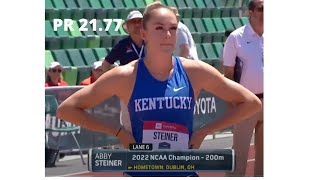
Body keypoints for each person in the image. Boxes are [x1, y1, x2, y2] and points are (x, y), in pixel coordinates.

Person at [57, 2, 262, 177]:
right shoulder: (125, 76)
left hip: (183, 171)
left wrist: (204, 131)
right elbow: (67, 109)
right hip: (140, 171)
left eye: (173, 28)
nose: (167, 34)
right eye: (159, 28)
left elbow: (251, 103)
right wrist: (117, 132)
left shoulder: (195, 72)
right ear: (143, 33)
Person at [222, 0, 264, 177]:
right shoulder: (236, 38)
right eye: (261, 9)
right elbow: (228, 73)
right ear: (250, 12)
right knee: (239, 154)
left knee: (266, 157)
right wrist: (234, 102)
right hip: (246, 102)